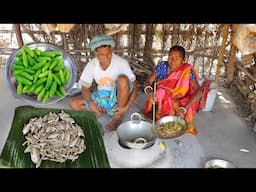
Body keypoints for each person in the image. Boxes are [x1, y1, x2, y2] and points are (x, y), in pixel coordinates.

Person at [70, 34, 138, 131]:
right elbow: (85, 88)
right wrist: (92, 103)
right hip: (102, 97)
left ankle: (117, 116)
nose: (107, 57)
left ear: (111, 50)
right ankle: (99, 111)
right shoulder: (92, 64)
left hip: (119, 97)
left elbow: (135, 86)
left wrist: (127, 106)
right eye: (102, 54)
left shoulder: (121, 63)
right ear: (96, 54)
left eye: (109, 53)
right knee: (74, 104)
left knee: (123, 79)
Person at [143, 45, 203, 135]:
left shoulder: (187, 71)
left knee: (190, 102)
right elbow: (148, 82)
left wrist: (184, 108)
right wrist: (149, 91)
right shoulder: (162, 66)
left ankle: (178, 115)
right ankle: (160, 116)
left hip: (179, 98)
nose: (172, 61)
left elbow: (199, 91)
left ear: (183, 60)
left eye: (177, 58)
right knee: (161, 92)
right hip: (163, 98)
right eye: (170, 57)